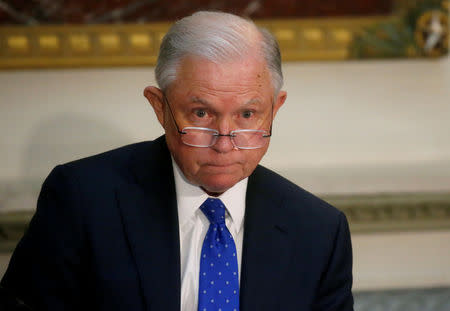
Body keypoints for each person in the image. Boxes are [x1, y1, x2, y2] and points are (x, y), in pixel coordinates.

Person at [0, 11, 353, 311]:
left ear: (275, 109)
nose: (224, 142)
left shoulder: (319, 231)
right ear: (160, 107)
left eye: (248, 114)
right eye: (201, 113)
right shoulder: (83, 201)